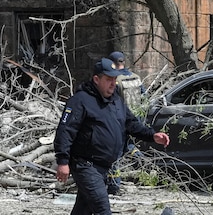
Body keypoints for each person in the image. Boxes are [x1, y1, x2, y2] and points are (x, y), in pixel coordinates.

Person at [54, 57, 169, 215]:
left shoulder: (116, 101)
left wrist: (153, 135)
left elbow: (131, 123)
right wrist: (62, 161)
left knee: (83, 209)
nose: (113, 83)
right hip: (85, 165)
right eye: (108, 79)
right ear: (96, 79)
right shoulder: (80, 101)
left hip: (104, 167)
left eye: (115, 79)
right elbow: (65, 131)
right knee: (102, 209)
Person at [106, 51, 145, 195]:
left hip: (120, 122)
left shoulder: (116, 80)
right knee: (129, 147)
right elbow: (144, 97)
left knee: (114, 153)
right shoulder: (136, 77)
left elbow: (111, 101)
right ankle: (147, 166)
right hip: (135, 120)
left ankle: (114, 185)